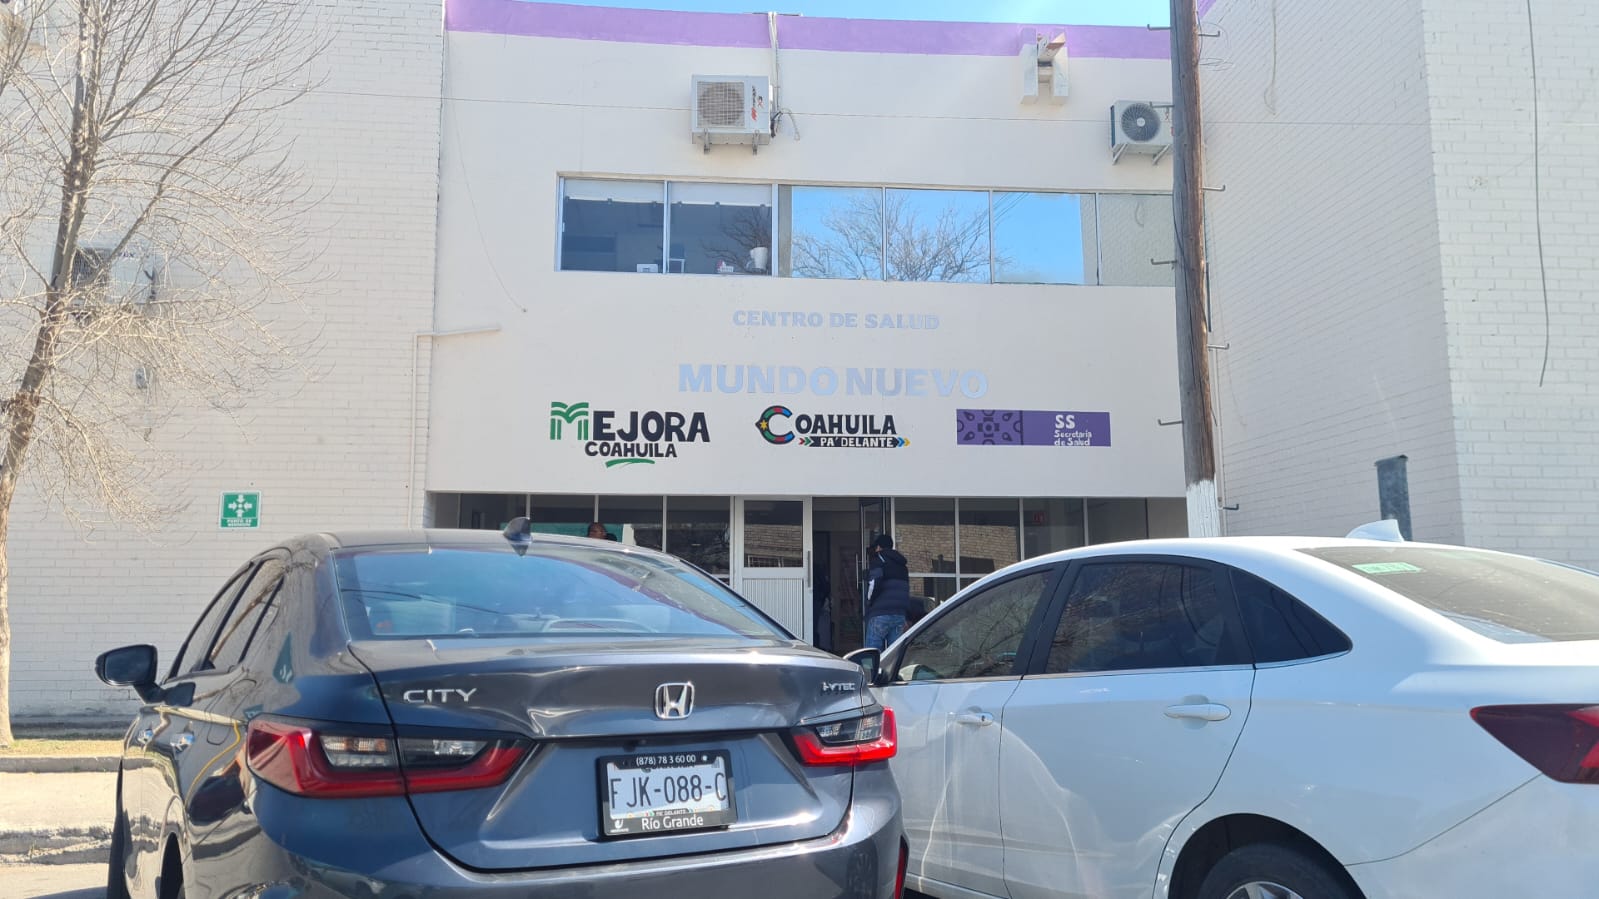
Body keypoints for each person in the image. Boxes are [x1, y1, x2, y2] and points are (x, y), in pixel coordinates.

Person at [863, 534, 916, 650]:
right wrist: (907, 615)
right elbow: (905, 590)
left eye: (876, 547)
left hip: (880, 613)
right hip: (899, 615)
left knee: (872, 653)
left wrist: (869, 601)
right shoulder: (902, 566)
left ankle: (872, 664)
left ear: (879, 547)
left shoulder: (879, 560)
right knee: (894, 653)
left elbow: (874, 583)